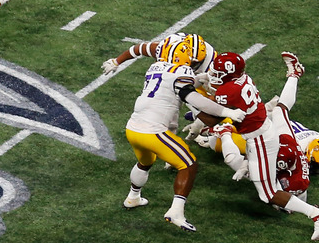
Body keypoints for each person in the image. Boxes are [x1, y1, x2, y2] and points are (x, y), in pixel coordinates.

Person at [103, 34, 245, 231]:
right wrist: (227, 112)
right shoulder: (183, 70)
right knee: (188, 164)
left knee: (145, 162)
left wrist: (196, 80)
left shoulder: (155, 66)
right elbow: (192, 98)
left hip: (133, 128)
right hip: (153, 132)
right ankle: (176, 211)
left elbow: (173, 85)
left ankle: (133, 197)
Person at [201, 52, 319, 239]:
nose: (214, 74)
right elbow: (217, 89)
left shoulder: (227, 91)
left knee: (268, 193)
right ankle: (294, 74)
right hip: (264, 128)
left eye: (219, 72)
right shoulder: (243, 78)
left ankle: (318, 214)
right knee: (280, 110)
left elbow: (210, 118)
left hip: (260, 140)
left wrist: (188, 97)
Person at [192, 51, 319, 181]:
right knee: (219, 141)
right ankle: (211, 123)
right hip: (265, 132)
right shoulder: (297, 148)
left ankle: (294, 75)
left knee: (278, 110)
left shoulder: (315, 138)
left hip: (263, 120)